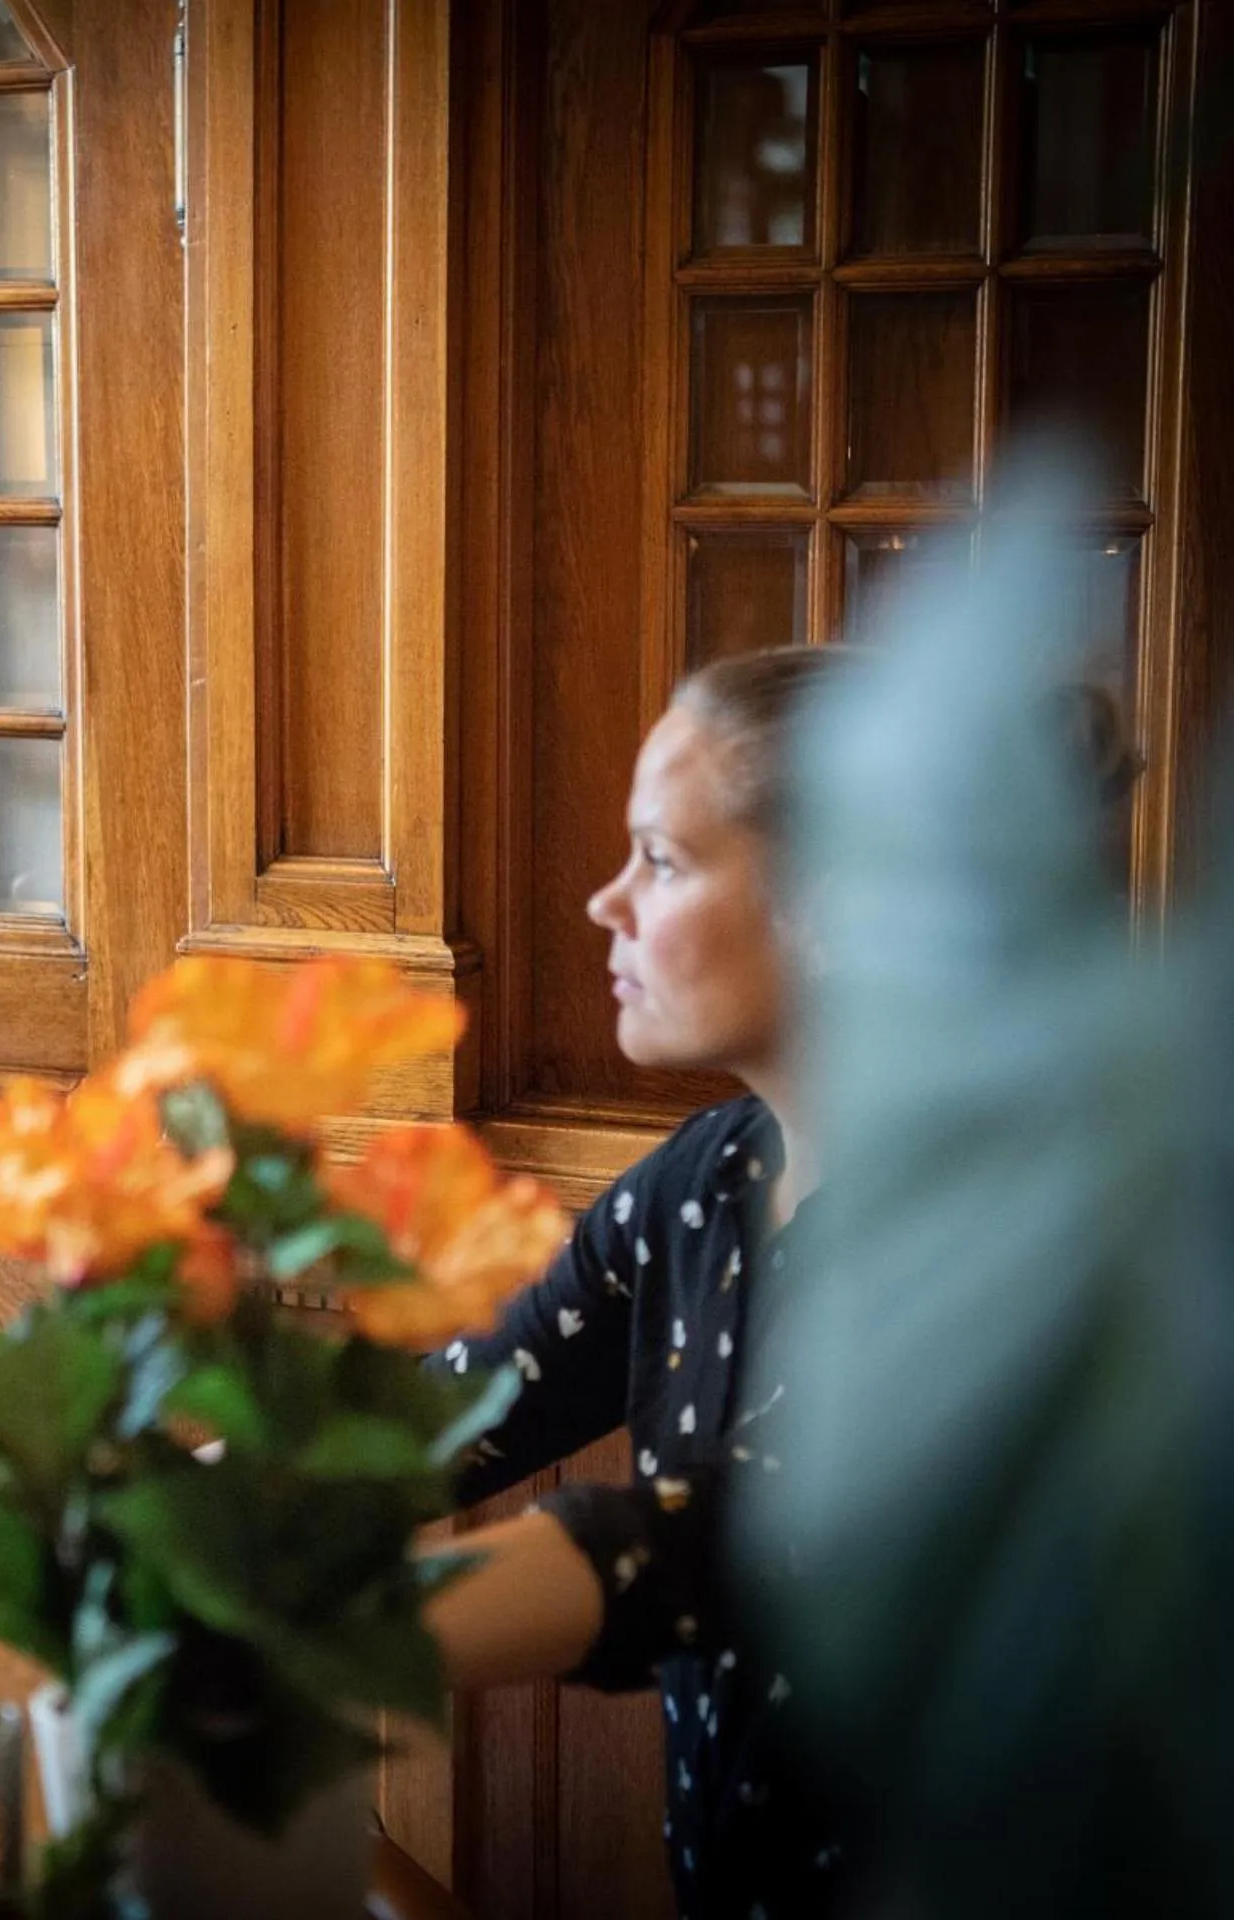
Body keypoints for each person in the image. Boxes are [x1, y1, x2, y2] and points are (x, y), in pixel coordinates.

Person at [421, 646, 1144, 1920]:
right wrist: (200, 1515)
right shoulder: (709, 1175)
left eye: (663, 858)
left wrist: (299, 1634)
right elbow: (450, 1415)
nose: (606, 904)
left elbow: (729, 1541)